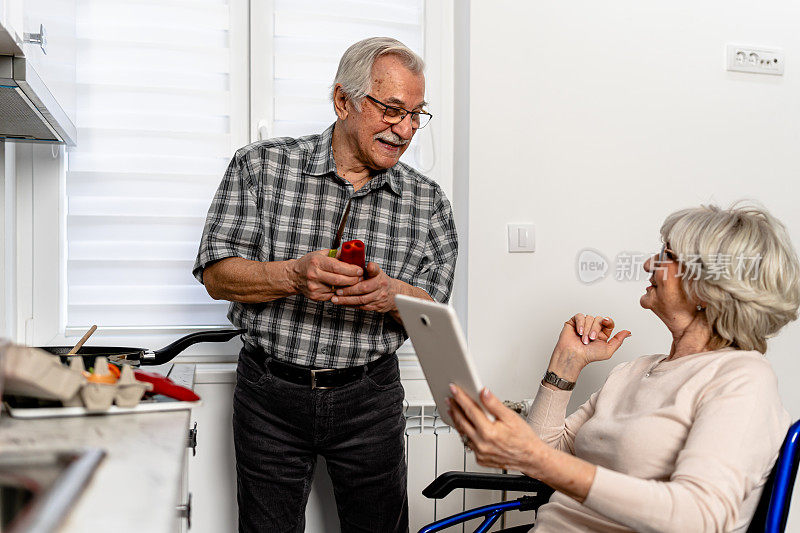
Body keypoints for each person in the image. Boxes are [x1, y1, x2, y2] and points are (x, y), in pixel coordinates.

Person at [193, 37, 458, 532]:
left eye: (417, 114)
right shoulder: (259, 167)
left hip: (370, 397)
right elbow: (215, 274)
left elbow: (434, 314)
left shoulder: (429, 202)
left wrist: (391, 296)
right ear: (343, 101)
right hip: (268, 394)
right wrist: (291, 275)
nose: (405, 130)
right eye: (392, 110)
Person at [447, 203, 798, 532]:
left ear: (708, 287)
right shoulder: (634, 370)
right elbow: (541, 457)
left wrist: (538, 458)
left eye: (667, 256)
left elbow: (697, 517)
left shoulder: (742, 379)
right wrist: (564, 365)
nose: (648, 264)